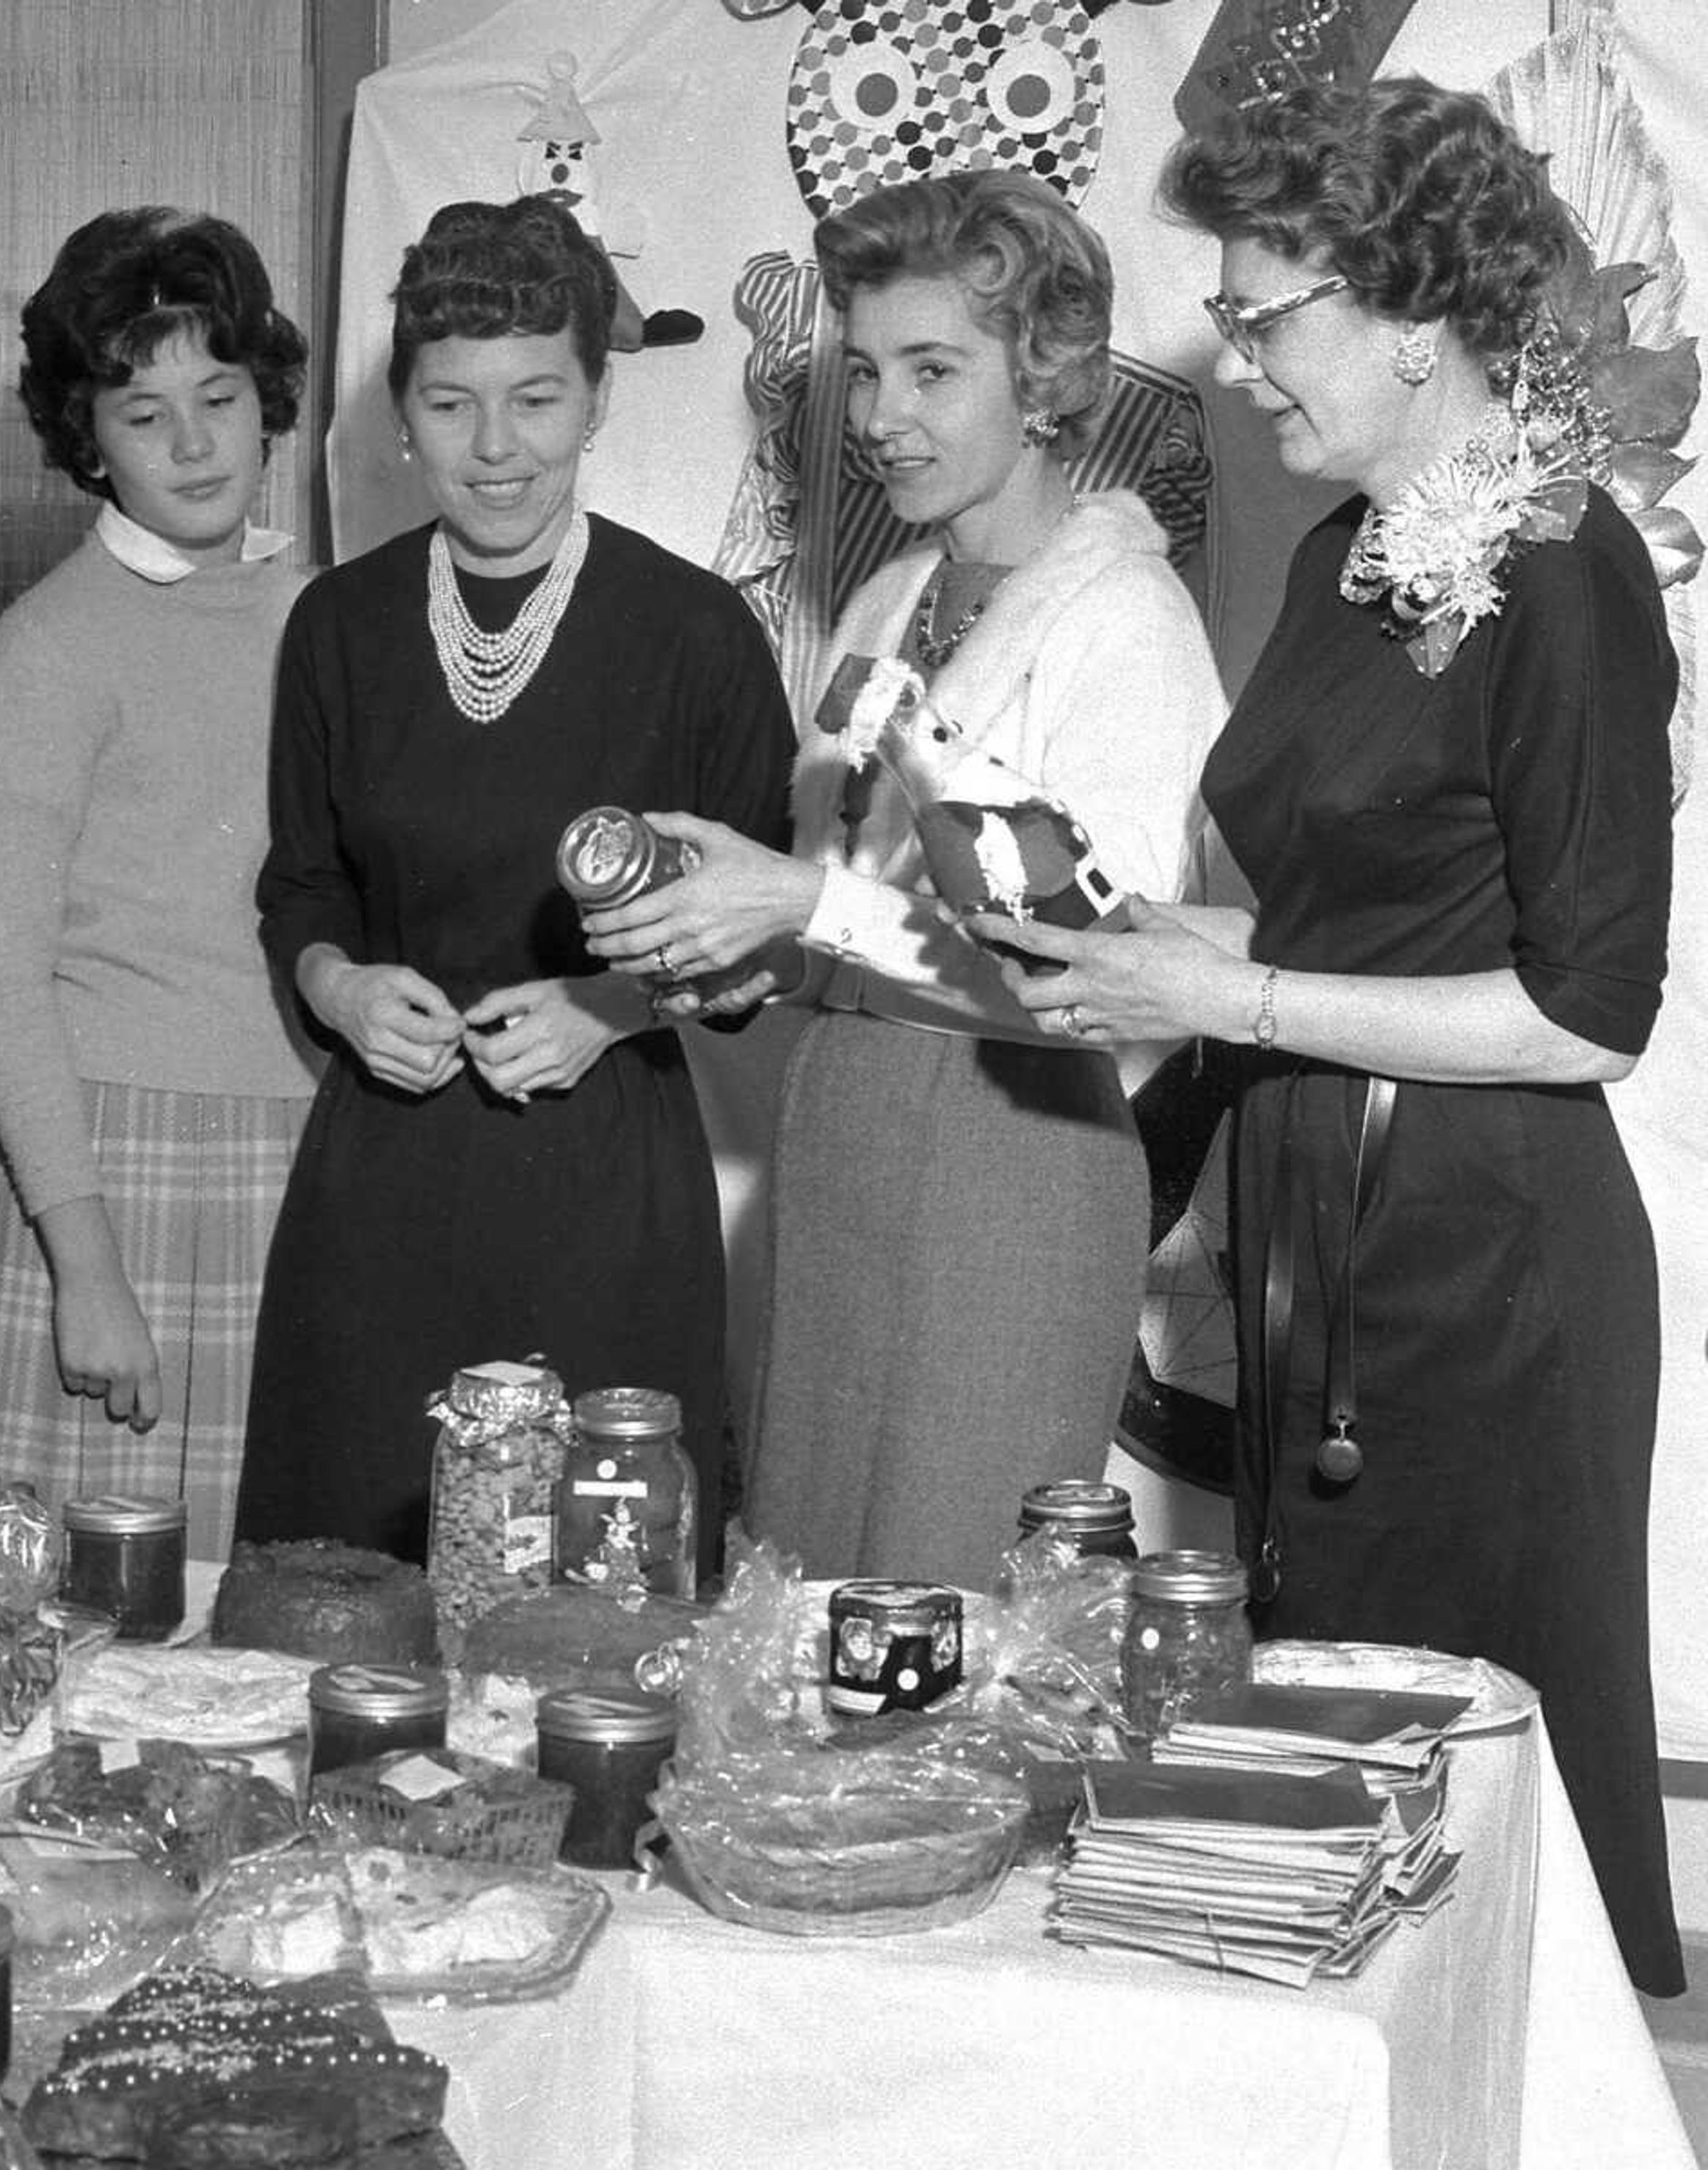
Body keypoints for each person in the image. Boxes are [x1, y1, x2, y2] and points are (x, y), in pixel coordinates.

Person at [970, 79, 1682, 1996]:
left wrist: (1235, 997)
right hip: (1319, 1255)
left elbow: (1585, 1011)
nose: (1239, 357)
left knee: (1475, 1828)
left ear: (1416, 316)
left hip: (1483, 1283)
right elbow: (1318, 914)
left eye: (1268, 313)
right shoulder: (1337, 563)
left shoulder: (1565, 573)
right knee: (1334, 1847)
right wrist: (1124, 948)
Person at [578, 170, 1224, 1590]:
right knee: (804, 1606)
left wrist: (803, 907)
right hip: (850, 1135)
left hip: (1020, 1160)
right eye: (865, 370)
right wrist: (730, 938)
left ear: (1047, 377)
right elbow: (850, 933)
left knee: (951, 1618)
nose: (879, 417)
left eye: (934, 371)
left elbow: (1098, 987)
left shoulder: (1129, 620)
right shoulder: (887, 599)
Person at [237, 195, 795, 1563]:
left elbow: (769, 949)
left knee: (596, 1615)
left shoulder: (696, 634)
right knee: (347, 1599)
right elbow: (300, 886)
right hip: (384, 1173)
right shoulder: (339, 626)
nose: (495, 450)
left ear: (599, 400)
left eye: (537, 398)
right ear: (403, 415)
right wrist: (342, 983)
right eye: (451, 404)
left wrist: (611, 1009)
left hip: (605, 1185)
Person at [0, 209, 321, 1553]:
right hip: (105, 1169)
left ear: (269, 401)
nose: (196, 444)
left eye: (219, 397)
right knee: (97, 1620)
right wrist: (83, 1265)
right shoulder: (46, 651)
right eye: (144, 413)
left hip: (304, 1146)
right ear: (84, 437)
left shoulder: (330, 610)